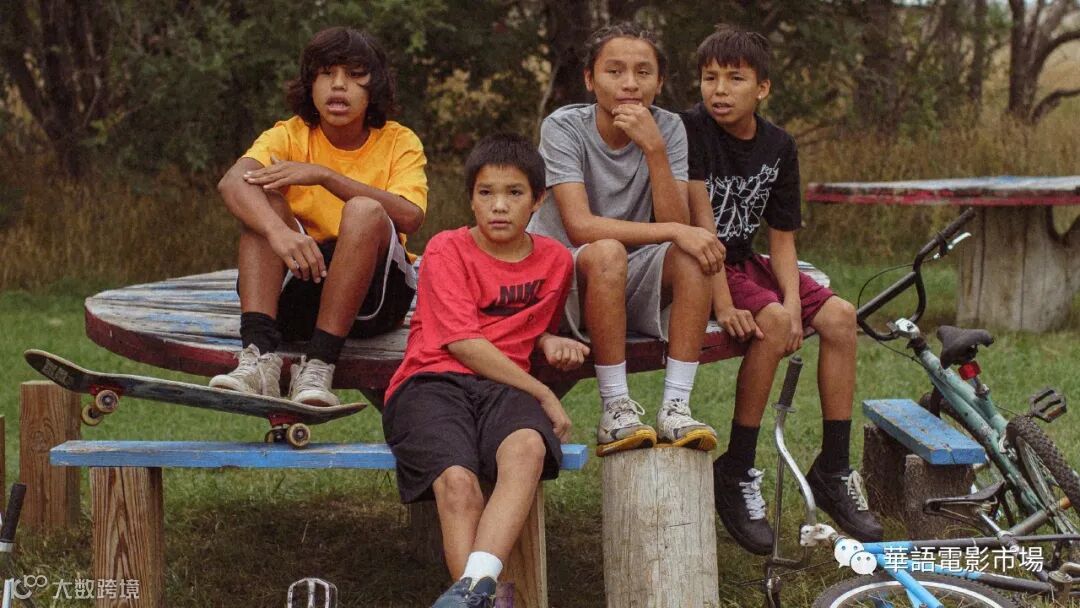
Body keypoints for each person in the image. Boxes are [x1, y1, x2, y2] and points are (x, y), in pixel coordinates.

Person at [679, 25, 883, 553]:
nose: (719, 90)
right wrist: (731, 304)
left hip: (748, 260)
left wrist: (795, 303)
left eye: (735, 78)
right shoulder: (690, 130)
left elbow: (783, 237)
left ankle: (833, 467)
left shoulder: (778, 145)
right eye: (709, 78)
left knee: (840, 316)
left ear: (762, 88)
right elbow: (699, 228)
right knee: (770, 322)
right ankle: (737, 467)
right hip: (700, 261)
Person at [382, 134, 588, 608]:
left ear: (538, 200)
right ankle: (488, 599)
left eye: (514, 193)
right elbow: (464, 343)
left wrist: (547, 339)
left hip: (502, 387)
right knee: (458, 484)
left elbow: (531, 326)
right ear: (471, 199)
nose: (499, 206)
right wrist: (544, 392)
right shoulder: (446, 249)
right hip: (430, 382)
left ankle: (475, 590)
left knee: (528, 448)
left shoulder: (556, 260)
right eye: (486, 193)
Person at [529, 22, 726, 457]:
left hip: (624, 275)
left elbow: (676, 224)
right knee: (606, 251)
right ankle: (615, 407)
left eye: (643, 72)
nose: (630, 84)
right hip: (559, 281)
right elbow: (580, 226)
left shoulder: (668, 129)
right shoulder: (564, 127)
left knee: (691, 255)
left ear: (660, 81)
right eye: (614, 71)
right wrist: (676, 230)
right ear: (589, 79)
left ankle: (676, 406)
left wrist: (654, 150)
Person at [211, 27, 427, 407]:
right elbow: (232, 183)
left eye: (354, 74)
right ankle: (258, 358)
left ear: (374, 86)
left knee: (363, 209)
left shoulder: (399, 140)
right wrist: (278, 233)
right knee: (262, 201)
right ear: (310, 84)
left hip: (373, 301)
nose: (338, 85)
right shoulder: (289, 134)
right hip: (301, 284)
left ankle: (320, 364)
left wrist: (325, 176)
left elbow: (410, 216)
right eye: (326, 73)